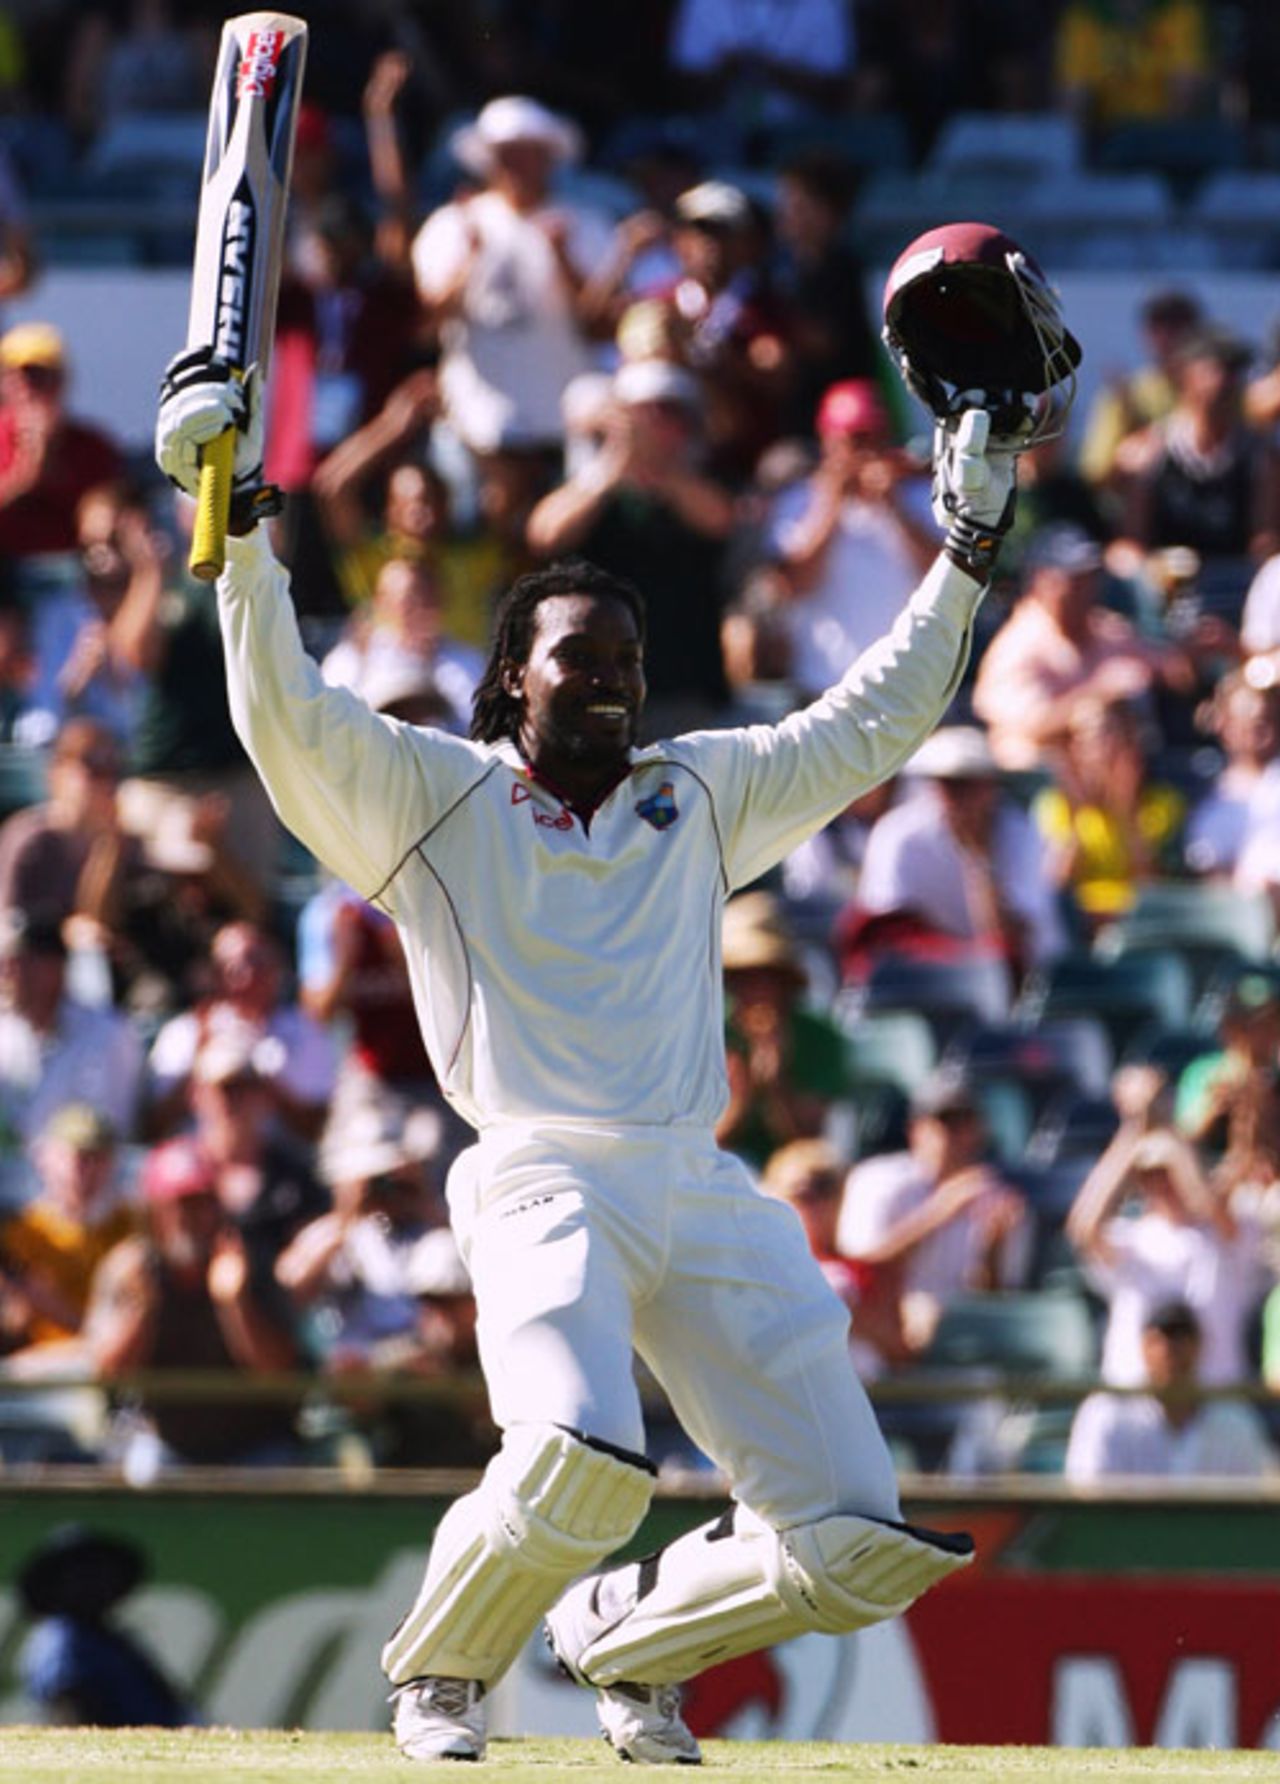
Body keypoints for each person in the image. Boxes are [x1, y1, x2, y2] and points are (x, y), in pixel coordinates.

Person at [154, 343, 1021, 1764]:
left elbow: (874, 719)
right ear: (513, 675)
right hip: (539, 1175)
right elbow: (285, 720)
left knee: (856, 1542)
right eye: (581, 659)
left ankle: (627, 1644)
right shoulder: (431, 799)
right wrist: (242, 522)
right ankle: (439, 1676)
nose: (614, 682)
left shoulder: (701, 793)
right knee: (576, 1462)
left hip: (695, 1181)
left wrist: (967, 552)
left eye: (627, 660)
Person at [839, 724, 1065, 982]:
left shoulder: (1021, 832)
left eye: (970, 783)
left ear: (991, 785)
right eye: (947, 784)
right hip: (922, 973)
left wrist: (979, 862)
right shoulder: (898, 834)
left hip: (1016, 976)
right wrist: (945, 953)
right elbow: (883, 926)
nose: (958, 797)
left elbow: (1015, 939)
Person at [837, 1071, 1029, 1361]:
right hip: (879, 1327)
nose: (955, 1135)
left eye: (965, 1122)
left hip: (959, 1335)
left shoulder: (998, 1198)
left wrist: (994, 1249)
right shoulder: (877, 1180)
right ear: (915, 1130)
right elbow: (857, 1265)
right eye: (944, 1122)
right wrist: (938, 1212)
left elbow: (995, 1302)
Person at [1065, 1299, 1276, 1481]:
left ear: (1200, 1345)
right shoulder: (1106, 1414)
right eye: (1159, 1339)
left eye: (1182, 1337)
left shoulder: (1235, 1422)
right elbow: (1087, 1498)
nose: (1170, 1349)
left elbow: (1252, 1501)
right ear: (1143, 1346)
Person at [15, 1525, 195, 1726]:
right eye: (80, 1572)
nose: (96, 1580)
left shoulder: (109, 1638)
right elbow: (68, 1716)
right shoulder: (62, 1641)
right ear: (55, 1584)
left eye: (101, 1569)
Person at [0, 322, 123, 560]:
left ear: (60, 382)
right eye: (13, 377)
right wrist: (26, 473)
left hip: (73, 567)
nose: (25, 388)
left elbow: (101, 519)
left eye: (36, 377)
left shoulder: (93, 447)